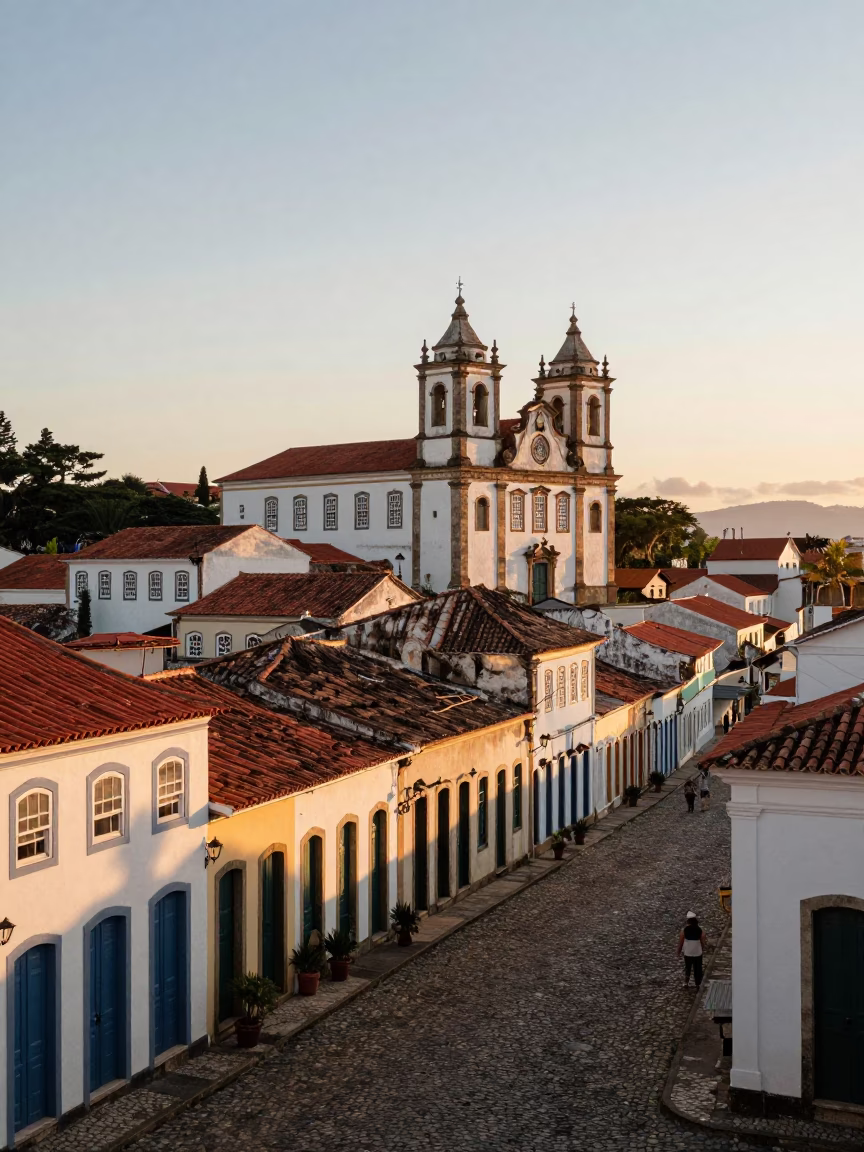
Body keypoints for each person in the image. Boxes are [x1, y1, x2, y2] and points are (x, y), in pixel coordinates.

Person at [677, 912, 706, 988]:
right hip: (697, 952)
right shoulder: (700, 930)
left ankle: (686, 982)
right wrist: (702, 948)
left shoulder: (684, 930)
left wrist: (678, 951)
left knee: (688, 967)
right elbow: (703, 941)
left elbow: (681, 942)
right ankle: (697, 983)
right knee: (697, 968)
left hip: (688, 952)